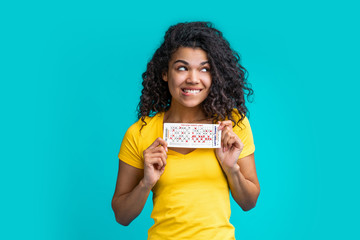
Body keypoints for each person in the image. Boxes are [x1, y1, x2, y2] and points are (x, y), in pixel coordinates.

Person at [111, 21, 260, 240]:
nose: (192, 78)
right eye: (182, 67)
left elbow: (249, 203)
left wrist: (231, 168)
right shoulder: (140, 133)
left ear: (215, 76)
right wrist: (146, 182)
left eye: (205, 69)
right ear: (165, 73)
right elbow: (122, 216)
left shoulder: (233, 126)